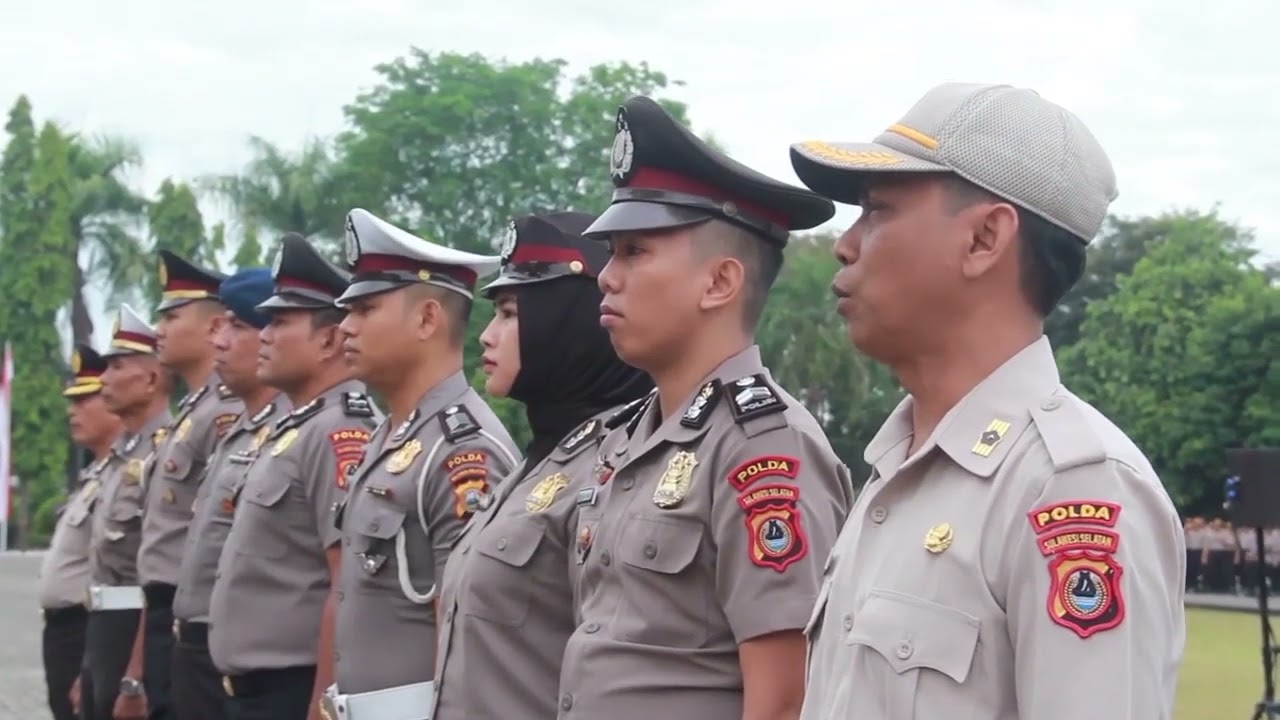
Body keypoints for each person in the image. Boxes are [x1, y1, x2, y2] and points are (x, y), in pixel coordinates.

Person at [788, 82, 1186, 719]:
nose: (846, 242)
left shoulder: (1071, 489)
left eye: (877, 210)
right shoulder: (897, 467)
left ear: (984, 240)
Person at [554, 96, 854, 720]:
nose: (607, 277)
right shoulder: (632, 438)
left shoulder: (764, 448)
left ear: (719, 283)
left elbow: (784, 699)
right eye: (612, 253)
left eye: (635, 251)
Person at [432, 211, 654, 720]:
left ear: (570, 321)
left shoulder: (618, 466)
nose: (487, 336)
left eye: (510, 313)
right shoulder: (540, 460)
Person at [323, 208, 521, 720]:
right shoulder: (390, 435)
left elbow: (471, 634)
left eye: (365, 309)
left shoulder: (463, 453)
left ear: (428, 318)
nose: (345, 325)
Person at [208, 234, 381, 720]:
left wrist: (323, 699)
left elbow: (343, 581)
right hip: (247, 690)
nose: (264, 335)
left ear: (328, 339)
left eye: (279, 322)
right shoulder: (297, 426)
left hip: (291, 689)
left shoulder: (339, 430)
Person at [171, 267, 290, 720]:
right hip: (202, 647)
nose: (218, 342)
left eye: (237, 326)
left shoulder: (298, 431)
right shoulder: (242, 428)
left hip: (256, 666)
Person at [129, 250, 238, 720]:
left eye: (173, 317)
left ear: (215, 326)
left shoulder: (226, 411)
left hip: (201, 615)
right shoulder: (194, 412)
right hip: (167, 613)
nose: (160, 330)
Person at [85, 305, 173, 720]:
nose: (103, 379)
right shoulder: (121, 456)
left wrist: (134, 675)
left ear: (152, 378)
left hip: (135, 627)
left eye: (117, 366)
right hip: (103, 624)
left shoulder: (165, 452)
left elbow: (154, 573)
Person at [40, 344, 122, 720]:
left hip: (87, 629)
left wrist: (94, 661)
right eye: (71, 401)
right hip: (64, 634)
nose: (73, 411)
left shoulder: (129, 472)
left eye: (85, 400)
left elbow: (118, 574)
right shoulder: (95, 475)